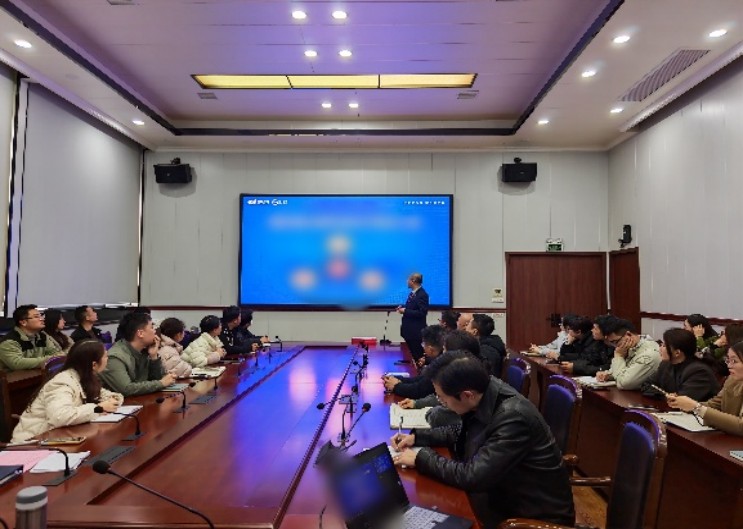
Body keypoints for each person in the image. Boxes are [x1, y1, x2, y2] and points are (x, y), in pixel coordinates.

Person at [390, 352, 575, 528]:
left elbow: (473, 476)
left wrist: (421, 458)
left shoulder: (513, 417)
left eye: (443, 399)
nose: (441, 403)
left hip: (528, 517)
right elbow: (461, 432)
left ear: (467, 395)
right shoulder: (484, 392)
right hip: (501, 495)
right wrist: (417, 437)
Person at [11, 340, 124, 442]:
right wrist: (98, 408)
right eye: (105, 356)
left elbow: (109, 395)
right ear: (94, 364)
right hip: (32, 442)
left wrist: (113, 400)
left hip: (57, 437)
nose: (107, 359)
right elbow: (59, 417)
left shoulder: (86, 378)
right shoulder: (62, 383)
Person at [667, 342, 743, 436]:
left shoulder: (699, 370)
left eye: (734, 361)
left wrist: (696, 407)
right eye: (728, 360)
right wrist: (684, 404)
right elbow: (715, 404)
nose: (729, 366)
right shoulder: (732, 380)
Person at [99, 312, 175, 396]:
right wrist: (161, 383)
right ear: (140, 333)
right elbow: (126, 389)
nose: (155, 331)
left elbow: (157, 379)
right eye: (151, 328)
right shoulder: (115, 357)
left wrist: (154, 357)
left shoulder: (144, 350)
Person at [641, 328, 719, 402]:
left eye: (664, 346)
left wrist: (669, 397)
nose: (660, 348)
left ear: (677, 353)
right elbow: (646, 385)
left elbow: (682, 401)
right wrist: (665, 396)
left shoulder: (699, 372)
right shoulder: (665, 365)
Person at [382, 325, 446, 398]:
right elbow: (419, 380)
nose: (423, 347)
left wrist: (396, 386)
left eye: (423, 344)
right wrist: (396, 379)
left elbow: (419, 390)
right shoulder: (439, 358)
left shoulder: (440, 366)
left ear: (431, 349)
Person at [596, 318, 660, 390]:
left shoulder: (648, 355)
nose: (615, 346)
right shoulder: (631, 347)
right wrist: (608, 375)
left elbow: (623, 384)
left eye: (615, 342)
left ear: (628, 334)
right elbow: (623, 372)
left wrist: (618, 357)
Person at [0, 305, 60, 371]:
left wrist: (53, 358)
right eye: (36, 317)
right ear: (23, 322)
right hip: (14, 376)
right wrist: (49, 359)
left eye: (41, 316)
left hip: (38, 374)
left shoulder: (42, 336)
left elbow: (57, 354)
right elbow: (17, 363)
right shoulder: (9, 341)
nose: (42, 319)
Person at [397, 272, 428, 364]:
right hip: (409, 331)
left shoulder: (422, 294)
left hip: (415, 332)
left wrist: (405, 311)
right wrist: (403, 308)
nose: (407, 281)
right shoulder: (413, 293)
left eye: (408, 279)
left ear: (413, 281)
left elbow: (422, 313)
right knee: (413, 355)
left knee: (418, 355)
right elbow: (413, 308)